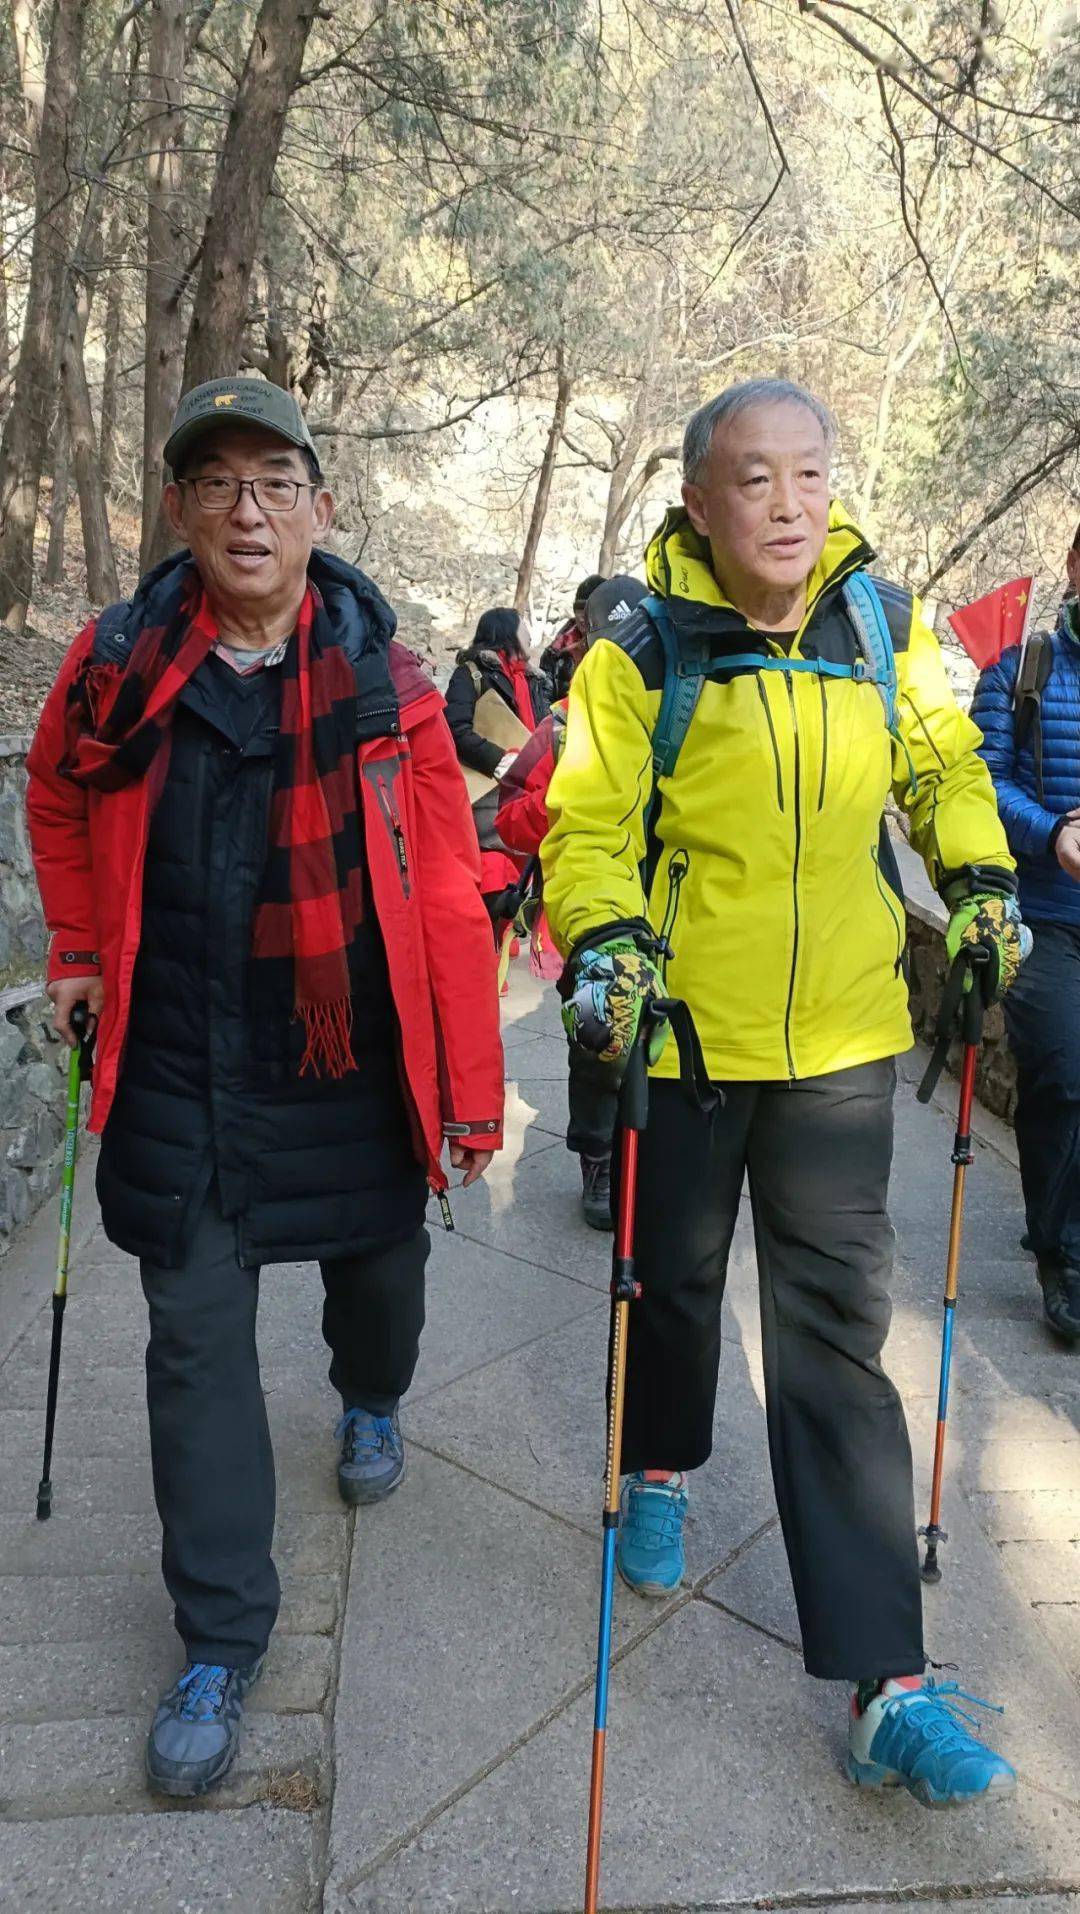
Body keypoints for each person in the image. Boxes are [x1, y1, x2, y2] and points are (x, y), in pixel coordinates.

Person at [542, 378, 1027, 1806]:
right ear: (698, 500)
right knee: (675, 1286)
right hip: (690, 1042)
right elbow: (585, 822)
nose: (791, 502)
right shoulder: (638, 648)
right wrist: (609, 935)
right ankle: (660, 1469)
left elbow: (944, 765)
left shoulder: (882, 626)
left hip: (839, 1050)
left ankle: (890, 1683)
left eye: (811, 473)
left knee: (833, 1345)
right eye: (756, 478)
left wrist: (983, 877)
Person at [26, 376, 503, 1799]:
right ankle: (222, 1638)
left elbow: (450, 904)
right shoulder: (115, 662)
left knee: (380, 1281)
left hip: (346, 1064)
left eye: (275, 482)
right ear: (178, 509)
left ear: (319, 511)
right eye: (217, 482)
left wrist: (470, 1096)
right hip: (183, 1059)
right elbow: (55, 790)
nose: (247, 509)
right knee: (191, 1348)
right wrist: (70, 944)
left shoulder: (385, 687)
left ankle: (371, 1390)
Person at [498, 576, 646, 1228]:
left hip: (664, 916)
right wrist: (563, 800)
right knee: (595, 1036)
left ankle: (647, 1158)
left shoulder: (684, 717)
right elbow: (509, 819)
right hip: (578, 914)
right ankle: (598, 1160)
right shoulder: (559, 725)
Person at [972, 528, 1080, 1340]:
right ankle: (1064, 1260)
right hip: (1046, 915)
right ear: (1075, 567)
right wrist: (1052, 834)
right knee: (1063, 1079)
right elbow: (983, 782)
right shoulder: (1021, 672)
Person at [444, 607, 551, 927]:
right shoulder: (471, 673)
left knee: (528, 853)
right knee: (495, 858)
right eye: (523, 628)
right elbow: (455, 728)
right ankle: (492, 937)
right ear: (506, 632)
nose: (530, 634)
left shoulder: (534, 680)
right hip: (488, 788)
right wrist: (497, 760)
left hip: (529, 782)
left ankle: (512, 928)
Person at [540, 572, 607, 699]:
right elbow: (544, 701)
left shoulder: (618, 647)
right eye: (578, 611)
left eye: (587, 610)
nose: (582, 618)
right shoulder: (555, 653)